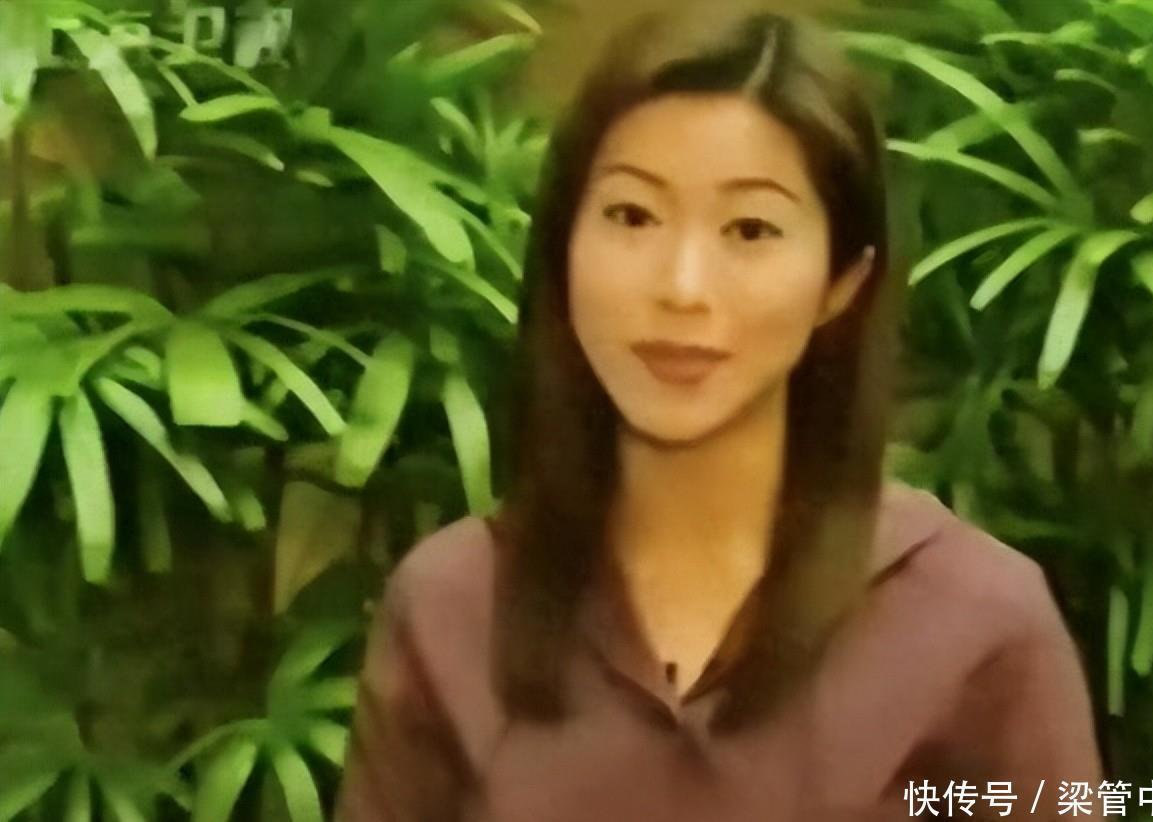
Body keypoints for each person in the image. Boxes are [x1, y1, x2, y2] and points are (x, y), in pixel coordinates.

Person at [335, 6, 1106, 821]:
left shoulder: (978, 627)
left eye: (750, 229)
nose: (682, 287)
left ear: (842, 282)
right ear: (563, 248)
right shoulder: (452, 607)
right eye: (633, 216)